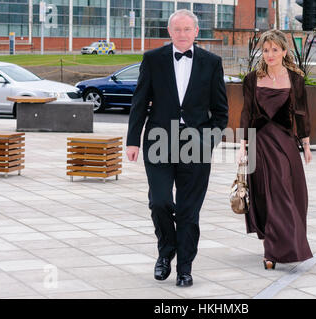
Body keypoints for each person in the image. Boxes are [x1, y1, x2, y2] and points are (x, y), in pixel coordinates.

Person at [126, 9, 228, 287]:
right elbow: (139, 101)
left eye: (187, 29)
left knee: (188, 210)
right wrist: (132, 140)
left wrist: (208, 141)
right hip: (158, 140)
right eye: (177, 29)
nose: (182, 34)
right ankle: (165, 250)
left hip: (196, 145)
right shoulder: (153, 59)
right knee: (159, 202)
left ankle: (184, 267)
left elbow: (221, 112)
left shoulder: (212, 62)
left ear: (196, 32)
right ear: (169, 32)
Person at [239, 30, 313, 270]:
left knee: (285, 192)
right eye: (266, 49)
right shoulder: (251, 79)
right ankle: (271, 250)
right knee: (264, 196)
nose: (269, 54)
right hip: (259, 144)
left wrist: (307, 145)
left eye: (274, 49)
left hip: (285, 145)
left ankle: (288, 243)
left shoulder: (296, 79)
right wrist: (243, 145)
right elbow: (246, 113)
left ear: (284, 51)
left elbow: (301, 113)